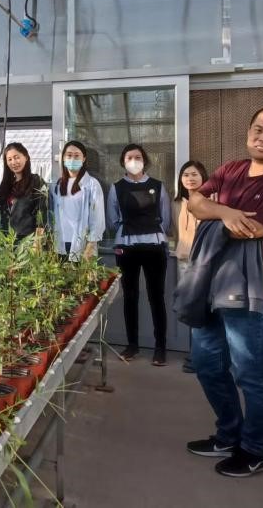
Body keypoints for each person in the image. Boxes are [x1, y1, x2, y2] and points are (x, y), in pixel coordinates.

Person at [186, 106, 263, 478]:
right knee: (207, 365)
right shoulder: (231, 169)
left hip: (255, 292)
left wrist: (214, 210)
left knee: (251, 374)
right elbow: (194, 202)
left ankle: (256, 449)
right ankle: (228, 435)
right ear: (248, 132)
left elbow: (252, 230)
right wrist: (226, 213)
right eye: (258, 129)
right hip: (212, 286)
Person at [107, 143, 172, 365]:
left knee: (157, 297)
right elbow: (112, 219)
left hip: (154, 245)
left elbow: (165, 218)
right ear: (123, 162)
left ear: (144, 160)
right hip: (126, 246)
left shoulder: (158, 186)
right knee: (130, 296)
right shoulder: (116, 188)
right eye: (129, 158)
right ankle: (132, 345)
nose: (133, 161)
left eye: (137, 157)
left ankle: (160, 348)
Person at [172, 160, 209, 374]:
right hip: (184, 261)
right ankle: (196, 353)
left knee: (205, 308)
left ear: (203, 176)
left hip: (206, 261)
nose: (190, 178)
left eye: (194, 174)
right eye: (186, 175)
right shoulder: (177, 203)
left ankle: (200, 355)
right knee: (191, 307)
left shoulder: (211, 201)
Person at [51, 140, 105, 261]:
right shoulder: (58, 185)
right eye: (69, 155)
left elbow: (98, 217)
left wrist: (91, 244)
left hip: (83, 245)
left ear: (84, 159)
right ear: (63, 158)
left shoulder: (92, 184)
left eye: (77, 156)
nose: (72, 159)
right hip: (60, 244)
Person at [0, 142, 49, 241]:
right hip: (8, 241)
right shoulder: (6, 185)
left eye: (16, 157)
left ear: (26, 157)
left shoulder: (36, 181)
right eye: (9, 159)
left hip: (28, 241)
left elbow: (42, 214)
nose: (13, 162)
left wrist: (37, 242)